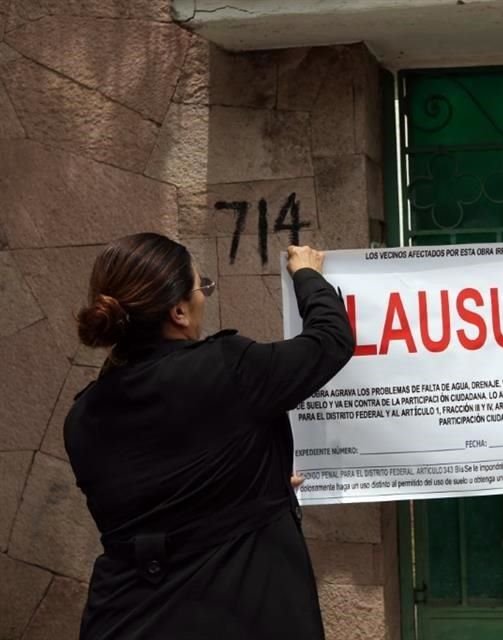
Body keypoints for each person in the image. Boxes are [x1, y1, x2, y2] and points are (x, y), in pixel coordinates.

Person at [65, 233, 355, 639]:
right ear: (179, 311)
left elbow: (158, 497)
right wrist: (307, 275)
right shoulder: (226, 366)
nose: (204, 297)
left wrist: (253, 484)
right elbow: (330, 342)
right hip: (238, 611)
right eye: (202, 287)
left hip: (126, 618)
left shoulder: (82, 416)